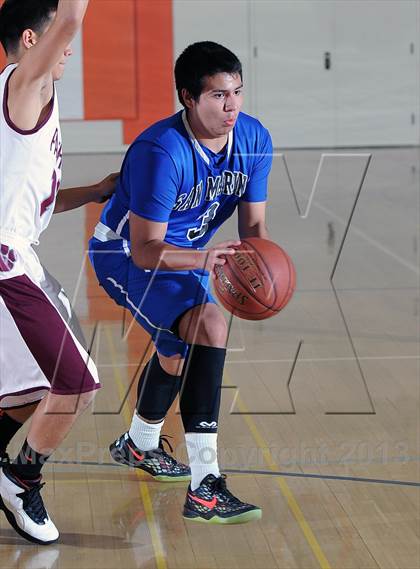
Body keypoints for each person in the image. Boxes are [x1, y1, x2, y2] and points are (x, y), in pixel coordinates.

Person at [89, 41, 273, 524]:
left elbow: (253, 231)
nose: (231, 105)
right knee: (209, 325)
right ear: (188, 98)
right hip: (124, 254)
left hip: (188, 256)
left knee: (176, 348)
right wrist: (207, 259)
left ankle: (139, 444)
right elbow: (147, 248)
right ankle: (206, 485)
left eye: (237, 92)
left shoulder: (253, 138)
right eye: (217, 95)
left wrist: (263, 271)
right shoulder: (160, 151)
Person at [0, 0, 117, 544]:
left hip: (19, 255)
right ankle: (19, 477)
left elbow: (33, 205)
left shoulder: (21, 97)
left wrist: (93, 192)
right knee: (78, 383)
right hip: (6, 265)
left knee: (35, 391)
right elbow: (71, 18)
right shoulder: (26, 87)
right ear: (30, 40)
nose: (69, 47)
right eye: (56, 40)